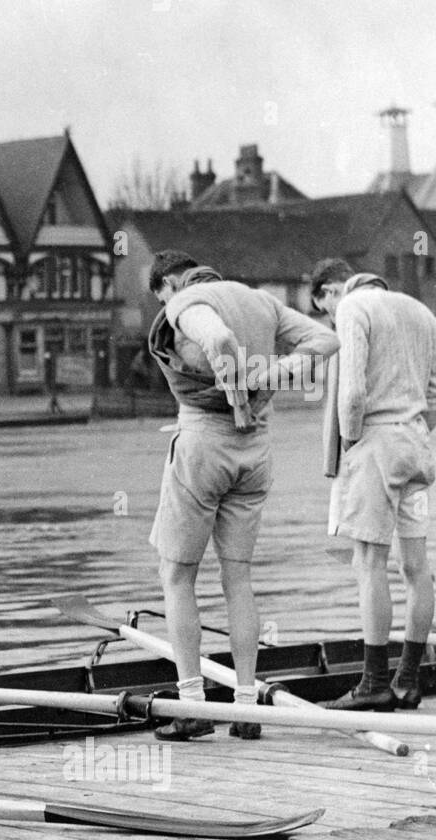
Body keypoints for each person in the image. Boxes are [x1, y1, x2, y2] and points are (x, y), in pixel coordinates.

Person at [146, 250, 339, 741]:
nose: (164, 309)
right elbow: (326, 339)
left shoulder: (185, 301)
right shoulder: (262, 301)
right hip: (255, 450)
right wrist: (266, 379)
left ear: (170, 282)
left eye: (160, 297)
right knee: (238, 577)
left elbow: (218, 338)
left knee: (177, 574)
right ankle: (247, 707)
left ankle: (193, 707)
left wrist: (234, 393)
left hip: (205, 443)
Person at [310, 259, 436, 710]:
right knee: (416, 566)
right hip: (415, 444)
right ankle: (408, 681)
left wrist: (354, 442)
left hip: (375, 443)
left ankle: (373, 684)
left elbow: (351, 393)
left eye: (325, 310)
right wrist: (414, 426)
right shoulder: (421, 312)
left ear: (333, 291)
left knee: (368, 562)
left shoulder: (354, 308)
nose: (332, 319)